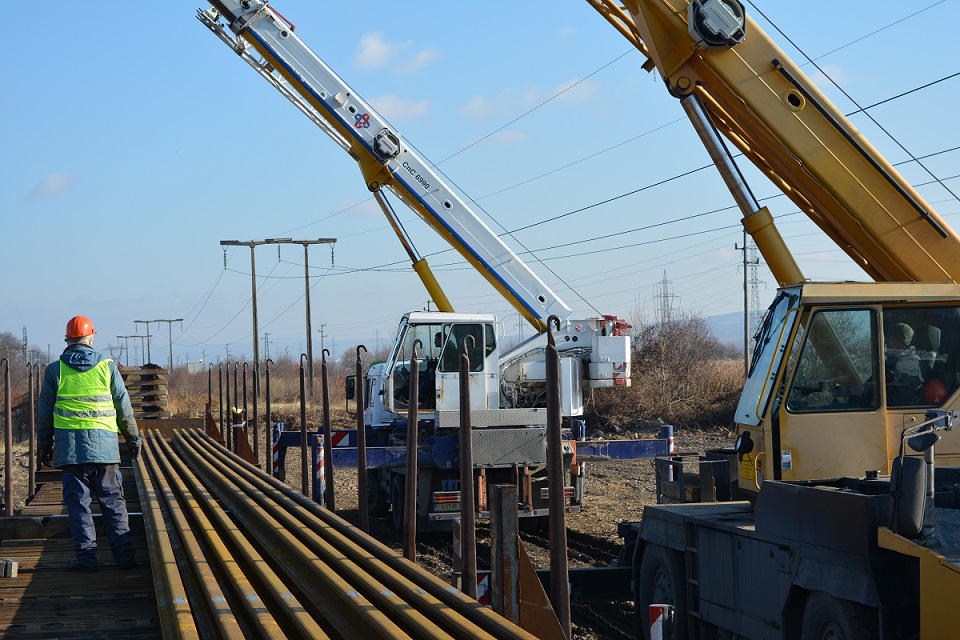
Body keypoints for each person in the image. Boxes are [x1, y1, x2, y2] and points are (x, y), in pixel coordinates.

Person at [37, 316, 142, 572]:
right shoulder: (107, 367)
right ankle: (124, 557)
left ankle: (86, 560)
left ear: (67, 340)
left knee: (79, 506)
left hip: (71, 451)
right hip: (105, 450)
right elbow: (124, 408)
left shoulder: (55, 370)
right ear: (91, 338)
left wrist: (44, 445)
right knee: (113, 503)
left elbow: (45, 413)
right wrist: (133, 439)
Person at [885, 322, 923, 406]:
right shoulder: (894, 361)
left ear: (899, 341)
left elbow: (897, 400)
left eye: (889, 337)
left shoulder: (909, 364)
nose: (886, 341)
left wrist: (868, 395)